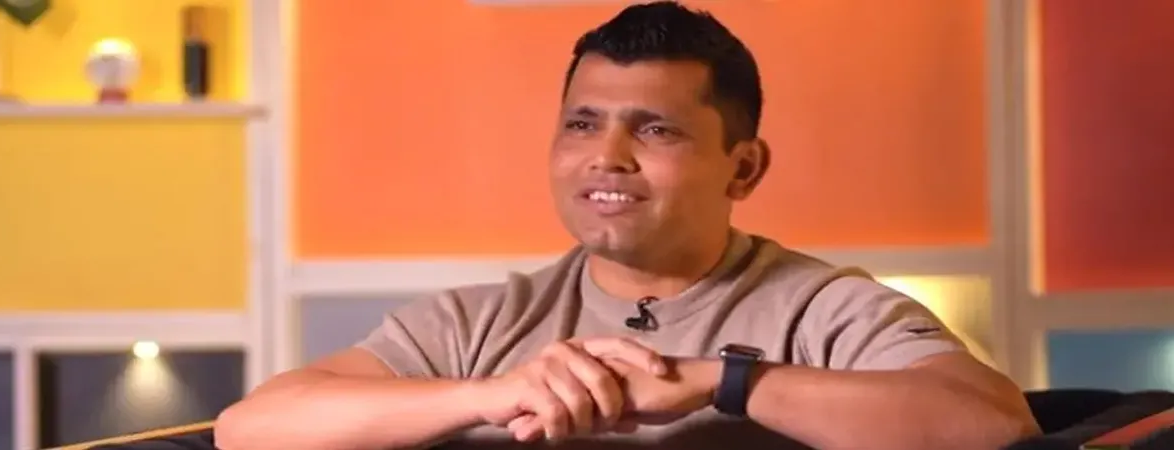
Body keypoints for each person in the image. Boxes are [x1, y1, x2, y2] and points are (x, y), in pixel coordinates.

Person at [214, 2, 1040, 449]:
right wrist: (496, 393)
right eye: (582, 124)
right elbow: (253, 428)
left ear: (743, 168)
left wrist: (723, 382)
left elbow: (992, 424)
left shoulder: (826, 311)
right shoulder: (477, 323)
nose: (605, 157)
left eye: (656, 130)